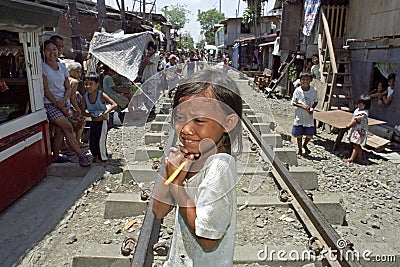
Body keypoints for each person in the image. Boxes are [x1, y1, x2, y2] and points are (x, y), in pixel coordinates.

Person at [152, 70, 242, 266]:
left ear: (228, 123)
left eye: (199, 120)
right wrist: (170, 172)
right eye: (179, 117)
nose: (185, 129)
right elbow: (158, 211)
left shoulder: (220, 166)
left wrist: (176, 184)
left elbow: (208, 239)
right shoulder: (191, 158)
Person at [42, 40, 91, 166]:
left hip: (64, 102)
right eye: (48, 50)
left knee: (60, 131)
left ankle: (56, 156)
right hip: (50, 104)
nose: (52, 52)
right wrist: (58, 104)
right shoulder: (43, 68)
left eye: (54, 49)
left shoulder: (62, 66)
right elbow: (46, 91)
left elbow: (68, 87)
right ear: (43, 52)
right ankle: (81, 156)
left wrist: (63, 101)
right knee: (68, 128)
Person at [81, 73, 117, 165]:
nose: (88, 86)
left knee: (101, 140)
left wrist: (104, 113)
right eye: (86, 84)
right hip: (93, 121)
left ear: (97, 85)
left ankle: (104, 159)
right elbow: (83, 111)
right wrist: (90, 115)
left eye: (91, 84)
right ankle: (95, 156)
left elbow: (114, 105)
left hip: (102, 121)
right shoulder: (85, 96)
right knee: (92, 140)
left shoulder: (101, 95)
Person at [291, 71, 318, 158]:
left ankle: (305, 144)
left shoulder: (313, 90)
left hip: (308, 116)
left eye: (307, 80)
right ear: (300, 80)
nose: (305, 81)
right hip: (299, 115)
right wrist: (303, 106)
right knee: (299, 134)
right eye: (303, 80)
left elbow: (316, 101)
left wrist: (312, 108)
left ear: (311, 80)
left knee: (309, 135)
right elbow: (293, 102)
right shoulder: (298, 90)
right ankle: (299, 150)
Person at [343, 94, 371, 163]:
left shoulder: (363, 113)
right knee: (356, 144)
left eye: (362, 104)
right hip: (355, 129)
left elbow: (355, 121)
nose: (360, 105)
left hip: (359, 131)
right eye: (359, 103)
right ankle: (360, 158)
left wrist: (349, 125)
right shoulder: (357, 110)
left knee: (355, 144)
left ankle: (351, 159)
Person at [66, 61, 87, 148]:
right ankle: (77, 141)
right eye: (76, 71)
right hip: (68, 107)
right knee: (82, 120)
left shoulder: (66, 79)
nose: (79, 74)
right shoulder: (74, 82)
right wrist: (79, 110)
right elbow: (73, 99)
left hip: (63, 106)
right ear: (70, 71)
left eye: (80, 71)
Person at [141, 41, 161, 121]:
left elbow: (147, 62)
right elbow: (143, 64)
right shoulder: (149, 56)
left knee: (151, 95)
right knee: (145, 95)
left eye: (151, 49)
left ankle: (151, 111)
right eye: (149, 49)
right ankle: (148, 110)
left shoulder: (155, 56)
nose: (150, 50)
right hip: (146, 77)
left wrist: (145, 56)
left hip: (152, 78)